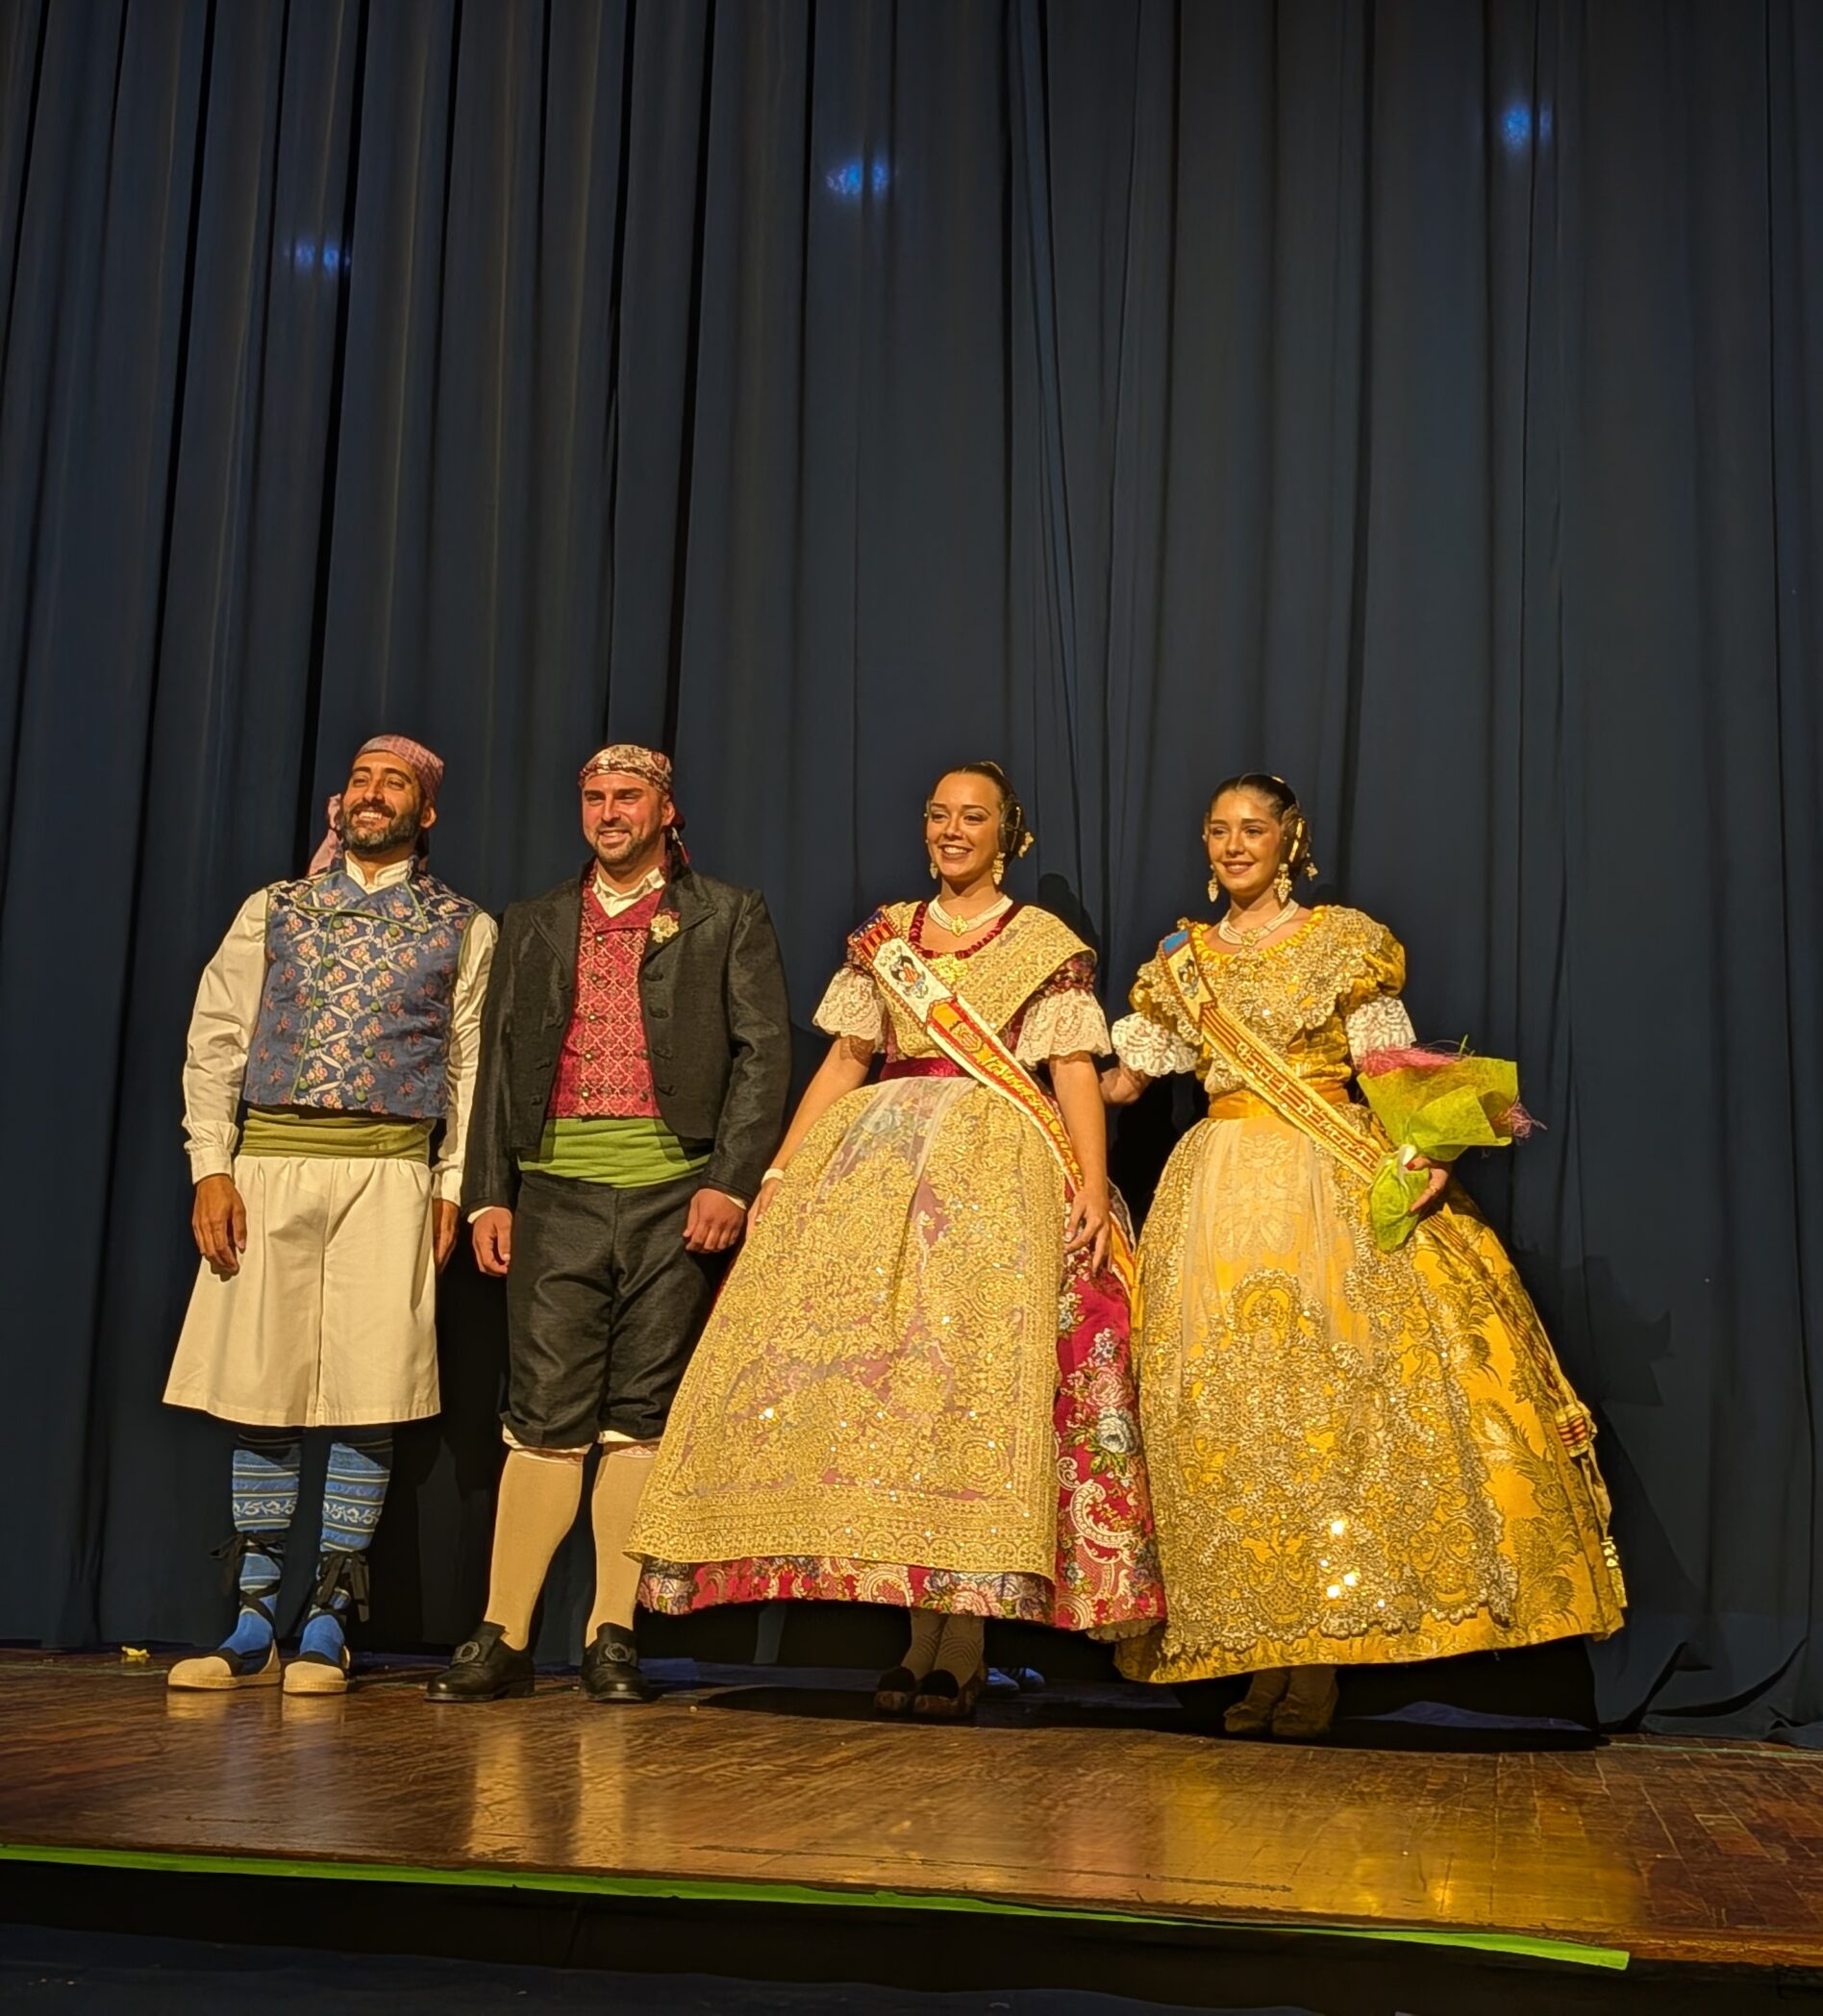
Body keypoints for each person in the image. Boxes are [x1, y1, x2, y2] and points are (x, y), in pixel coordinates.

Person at [632, 764, 1163, 1720]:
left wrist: (1091, 1180)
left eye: (974, 817)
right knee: (892, 1409)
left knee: (966, 1396)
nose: (953, 830)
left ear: (1008, 835)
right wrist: (781, 1173)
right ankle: (918, 1636)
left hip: (993, 1178)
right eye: (939, 815)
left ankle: (964, 1642)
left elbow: (1073, 1069)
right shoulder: (888, 935)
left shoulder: (1043, 944)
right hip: (875, 1174)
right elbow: (846, 1058)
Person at [1102, 772, 1625, 1741]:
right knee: (1228, 1425)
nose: (1232, 845)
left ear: (1289, 841)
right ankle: (1260, 1650)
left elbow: (1385, 1064)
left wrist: (1434, 1144)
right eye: (1217, 830)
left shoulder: (1344, 942)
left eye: (1252, 829)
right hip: (1214, 1193)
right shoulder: (1180, 963)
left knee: (1325, 1416)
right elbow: (1125, 1080)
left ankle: (1320, 1660)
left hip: (1323, 1187)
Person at [426, 743, 791, 1706]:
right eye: (593, 797)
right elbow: (499, 1057)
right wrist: (491, 1191)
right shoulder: (538, 918)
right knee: (544, 1413)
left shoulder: (726, 913)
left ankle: (611, 1633)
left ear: (666, 809)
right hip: (556, 1194)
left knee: (640, 1415)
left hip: (675, 1193)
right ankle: (504, 1634)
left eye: (628, 796)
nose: (609, 811)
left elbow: (762, 1055)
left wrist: (730, 1182)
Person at [164, 734, 495, 1695]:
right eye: (360, 780)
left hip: (389, 1173)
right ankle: (252, 1614)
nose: (373, 793)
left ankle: (330, 1616)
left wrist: (452, 1183)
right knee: (261, 1383)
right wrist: (210, 1167)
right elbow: (216, 1040)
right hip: (270, 1162)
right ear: (337, 805)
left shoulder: (463, 925)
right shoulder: (275, 908)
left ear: (425, 812)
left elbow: (470, 1066)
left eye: (394, 783)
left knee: (368, 1385)